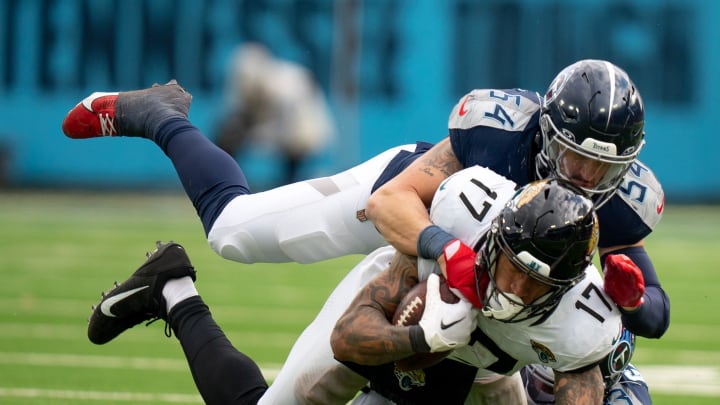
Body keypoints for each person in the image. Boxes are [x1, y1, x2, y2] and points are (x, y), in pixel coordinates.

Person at [61, 59, 665, 400]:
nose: (586, 178)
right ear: (545, 132)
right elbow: (392, 204)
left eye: (605, 166)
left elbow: (653, 313)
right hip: (417, 209)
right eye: (576, 158)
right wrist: (443, 247)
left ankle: (171, 289)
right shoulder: (498, 137)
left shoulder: (618, 205)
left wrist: (633, 296)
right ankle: (161, 116)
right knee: (234, 232)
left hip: (477, 304)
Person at [85, 174, 618, 404]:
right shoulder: (465, 215)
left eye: (534, 282)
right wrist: (419, 339)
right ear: (495, 235)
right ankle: (175, 292)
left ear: (566, 289)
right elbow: (349, 339)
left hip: (492, 366)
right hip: (412, 320)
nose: (513, 284)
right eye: (508, 264)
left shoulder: (582, 325)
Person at [214, 43, 335, 186]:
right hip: (278, 126)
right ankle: (224, 181)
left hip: (302, 124)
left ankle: (287, 190)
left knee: (293, 160)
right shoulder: (250, 81)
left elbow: (290, 128)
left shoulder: (284, 87)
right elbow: (235, 113)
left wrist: (256, 135)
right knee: (228, 137)